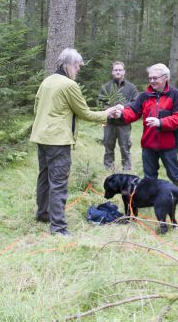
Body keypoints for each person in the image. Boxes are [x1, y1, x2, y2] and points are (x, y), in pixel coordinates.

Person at [30, 48, 121, 236]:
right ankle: (59, 228)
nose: (79, 69)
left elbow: (36, 107)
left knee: (44, 177)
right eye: (78, 66)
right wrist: (108, 113)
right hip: (58, 141)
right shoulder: (69, 85)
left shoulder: (46, 81)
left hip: (42, 137)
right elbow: (85, 113)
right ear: (69, 65)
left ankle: (43, 214)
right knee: (58, 183)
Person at [116, 63, 178, 193]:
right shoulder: (144, 96)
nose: (152, 81)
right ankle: (152, 199)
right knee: (149, 177)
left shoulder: (176, 95)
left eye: (155, 78)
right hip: (148, 145)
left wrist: (160, 122)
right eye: (150, 78)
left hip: (169, 146)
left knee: (175, 175)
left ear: (166, 77)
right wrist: (121, 114)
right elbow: (133, 112)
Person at [98, 61, 139, 171]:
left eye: (120, 70)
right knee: (108, 147)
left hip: (124, 123)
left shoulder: (131, 88)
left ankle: (127, 171)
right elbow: (100, 103)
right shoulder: (105, 87)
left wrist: (123, 108)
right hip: (108, 123)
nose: (118, 72)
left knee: (125, 148)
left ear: (124, 72)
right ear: (112, 72)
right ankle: (108, 171)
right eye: (116, 70)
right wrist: (110, 112)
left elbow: (136, 103)